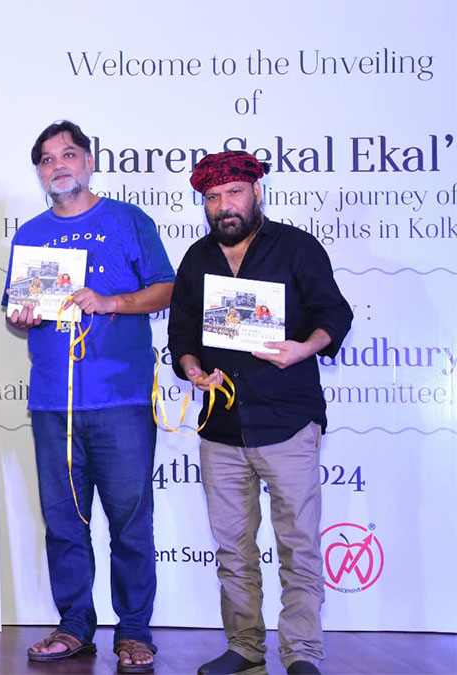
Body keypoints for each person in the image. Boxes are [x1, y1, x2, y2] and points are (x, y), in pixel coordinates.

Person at [169, 151, 352, 675]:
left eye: (234, 194)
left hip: (287, 420)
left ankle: (302, 654)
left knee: (298, 545)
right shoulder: (197, 258)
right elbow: (181, 334)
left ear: (256, 193)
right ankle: (245, 648)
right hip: (221, 425)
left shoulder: (296, 246)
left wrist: (303, 347)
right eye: (213, 198)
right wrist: (192, 368)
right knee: (232, 550)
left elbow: (333, 314)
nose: (224, 206)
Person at [5, 121, 174, 673]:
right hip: (54, 403)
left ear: (88, 161)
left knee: (129, 522)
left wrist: (112, 302)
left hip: (121, 398)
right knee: (63, 522)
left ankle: (133, 632)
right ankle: (74, 624)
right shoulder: (29, 232)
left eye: (69, 154)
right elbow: (16, 314)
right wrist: (22, 316)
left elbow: (167, 288)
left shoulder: (128, 219)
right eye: (48, 159)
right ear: (39, 173)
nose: (59, 166)